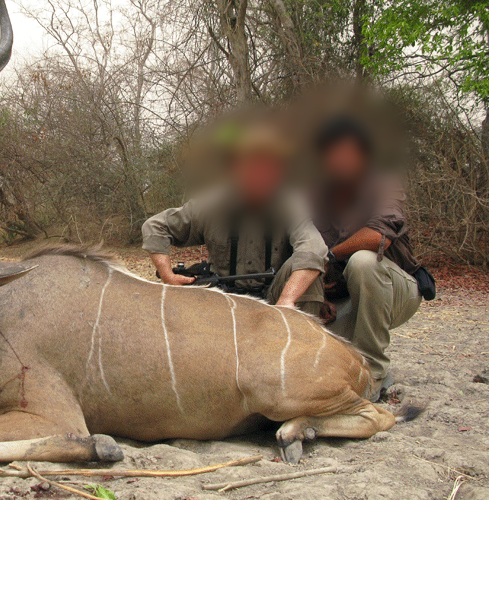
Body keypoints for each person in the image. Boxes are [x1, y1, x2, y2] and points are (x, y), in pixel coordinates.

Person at [142, 120, 328, 316]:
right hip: (223, 302)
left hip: (275, 301)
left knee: (307, 273)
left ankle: (299, 341)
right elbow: (155, 227)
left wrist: (287, 299)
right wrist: (167, 275)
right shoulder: (212, 204)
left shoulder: (290, 202)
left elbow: (314, 248)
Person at [311, 115, 424, 399]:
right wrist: (316, 292)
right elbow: (296, 244)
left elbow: (377, 236)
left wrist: (331, 256)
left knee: (364, 261)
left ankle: (373, 370)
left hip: (393, 291)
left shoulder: (385, 181)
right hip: (340, 296)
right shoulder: (313, 193)